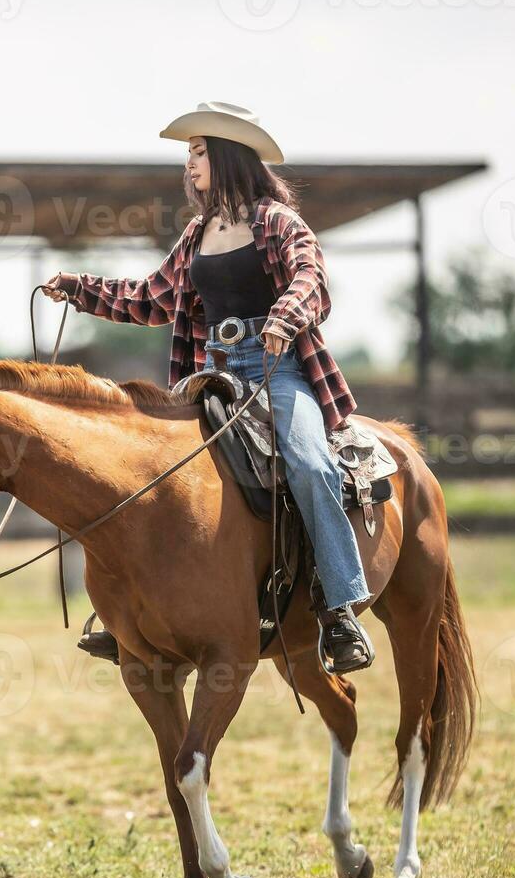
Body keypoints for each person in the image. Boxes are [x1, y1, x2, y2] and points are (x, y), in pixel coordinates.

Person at [42, 101, 375, 674]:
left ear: (226, 156)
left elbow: (311, 281)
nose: (189, 164)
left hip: (279, 372)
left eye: (198, 152)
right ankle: (132, 612)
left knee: (311, 464)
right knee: (143, 465)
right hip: (210, 375)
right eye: (187, 154)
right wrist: (80, 289)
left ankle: (341, 609)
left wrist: (284, 316)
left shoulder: (277, 222)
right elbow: (150, 299)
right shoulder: (198, 235)